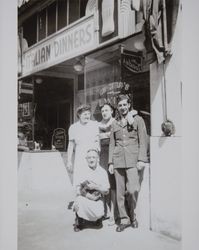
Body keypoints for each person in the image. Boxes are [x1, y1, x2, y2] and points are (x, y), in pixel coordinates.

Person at [108, 95, 148, 232]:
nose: (122, 107)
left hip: (133, 160)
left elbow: (143, 140)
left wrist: (142, 159)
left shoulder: (138, 120)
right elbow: (112, 144)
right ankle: (124, 220)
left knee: (132, 190)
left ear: (129, 105)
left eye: (125, 105)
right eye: (120, 105)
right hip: (118, 160)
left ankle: (132, 215)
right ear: (117, 108)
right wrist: (110, 162)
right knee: (119, 193)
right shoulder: (114, 123)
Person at [73, 148, 110, 232]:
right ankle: (79, 221)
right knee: (79, 201)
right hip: (85, 196)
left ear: (98, 159)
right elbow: (77, 189)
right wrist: (88, 196)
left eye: (93, 157)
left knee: (98, 212)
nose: (91, 160)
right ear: (86, 159)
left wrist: (95, 187)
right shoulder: (82, 171)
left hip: (97, 198)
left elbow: (106, 191)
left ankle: (97, 219)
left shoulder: (102, 172)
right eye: (89, 158)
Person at [67, 104, 100, 187]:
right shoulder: (73, 127)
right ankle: (79, 198)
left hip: (92, 155)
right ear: (79, 115)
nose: (87, 116)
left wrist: (97, 156)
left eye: (89, 114)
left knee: (93, 179)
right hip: (80, 156)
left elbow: (97, 142)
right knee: (80, 179)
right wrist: (69, 161)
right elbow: (70, 145)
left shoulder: (94, 125)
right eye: (85, 114)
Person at [98, 103, 118, 225]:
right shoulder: (98, 125)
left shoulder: (115, 123)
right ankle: (104, 211)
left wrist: (105, 135)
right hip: (102, 157)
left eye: (107, 110)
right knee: (104, 184)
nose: (104, 112)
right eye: (103, 110)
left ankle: (113, 213)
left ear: (112, 111)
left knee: (113, 185)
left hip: (114, 156)